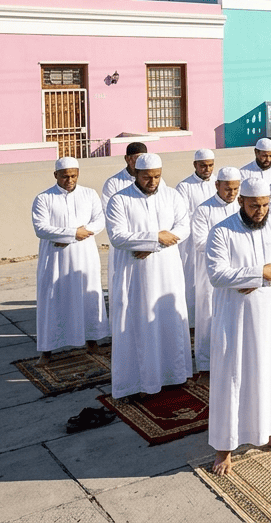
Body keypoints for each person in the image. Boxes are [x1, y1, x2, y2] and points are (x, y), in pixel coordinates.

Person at [205, 177, 271, 476]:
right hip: (237, 319)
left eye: (264, 205)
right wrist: (258, 274)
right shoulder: (222, 231)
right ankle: (225, 447)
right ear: (240, 203)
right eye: (253, 206)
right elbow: (217, 274)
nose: (260, 211)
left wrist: (260, 278)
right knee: (234, 376)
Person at [104, 153, 192, 398]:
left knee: (168, 322)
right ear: (136, 175)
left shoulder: (172, 196)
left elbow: (183, 228)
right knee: (138, 323)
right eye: (147, 177)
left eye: (157, 176)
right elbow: (117, 236)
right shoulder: (119, 200)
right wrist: (155, 238)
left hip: (167, 272)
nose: (152, 181)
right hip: (136, 275)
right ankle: (141, 381)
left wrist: (152, 245)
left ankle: (174, 374)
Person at [31, 157, 108, 362]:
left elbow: (99, 220)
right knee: (52, 299)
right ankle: (46, 350)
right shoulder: (43, 198)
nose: (69, 180)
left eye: (73, 175)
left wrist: (75, 235)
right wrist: (72, 234)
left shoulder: (89, 194)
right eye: (65, 176)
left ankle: (92, 343)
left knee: (88, 297)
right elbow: (41, 228)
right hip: (55, 259)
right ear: (55, 175)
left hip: (84, 255)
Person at [190, 167, 241, 372]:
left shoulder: (241, 207)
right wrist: (230, 246)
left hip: (237, 271)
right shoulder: (204, 210)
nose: (232, 193)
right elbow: (200, 241)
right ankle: (206, 364)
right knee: (208, 316)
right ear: (217, 186)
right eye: (228, 189)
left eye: (236, 189)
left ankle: (233, 360)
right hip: (210, 273)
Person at [175, 148, 219, 315]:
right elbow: (182, 215)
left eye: (210, 165)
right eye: (203, 166)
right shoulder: (184, 186)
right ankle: (192, 322)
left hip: (215, 241)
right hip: (192, 244)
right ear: (195, 165)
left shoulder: (218, 183)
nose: (207, 169)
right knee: (191, 282)